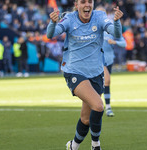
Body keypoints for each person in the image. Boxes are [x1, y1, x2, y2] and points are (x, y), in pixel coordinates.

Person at [47, 0, 123, 149]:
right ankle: (96, 145)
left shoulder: (100, 16)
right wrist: (52, 23)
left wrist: (117, 21)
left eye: (90, 1)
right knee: (99, 106)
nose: (87, 5)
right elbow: (51, 34)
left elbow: (117, 34)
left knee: (86, 119)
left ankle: (73, 146)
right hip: (74, 71)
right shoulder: (69, 18)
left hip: (95, 73)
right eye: (83, 2)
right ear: (77, 5)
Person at [96, 6, 126, 117]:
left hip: (109, 60)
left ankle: (103, 106)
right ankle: (105, 107)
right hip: (97, 59)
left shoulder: (109, 28)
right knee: (106, 80)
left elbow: (124, 43)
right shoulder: (92, 28)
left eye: (103, 13)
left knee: (103, 85)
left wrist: (114, 42)